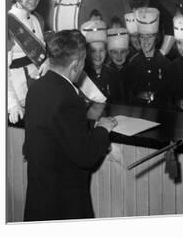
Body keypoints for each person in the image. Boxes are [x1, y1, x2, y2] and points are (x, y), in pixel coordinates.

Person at [23, 30, 117, 222]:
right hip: (63, 207)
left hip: (39, 200)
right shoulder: (68, 98)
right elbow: (86, 155)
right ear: (75, 65)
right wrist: (103, 129)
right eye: (83, 62)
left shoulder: (36, 89)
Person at [7, 0, 48, 127]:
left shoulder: (38, 19)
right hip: (19, 102)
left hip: (39, 97)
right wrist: (12, 104)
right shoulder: (6, 23)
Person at [125, 7, 170, 107]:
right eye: (142, 36)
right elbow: (128, 95)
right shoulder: (133, 63)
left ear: (156, 37)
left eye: (149, 36)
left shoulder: (166, 64)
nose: (145, 41)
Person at [80, 19, 124, 103]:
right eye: (93, 51)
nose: (98, 55)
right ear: (87, 52)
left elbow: (121, 102)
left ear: (106, 51)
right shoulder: (81, 76)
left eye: (101, 50)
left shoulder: (114, 74)